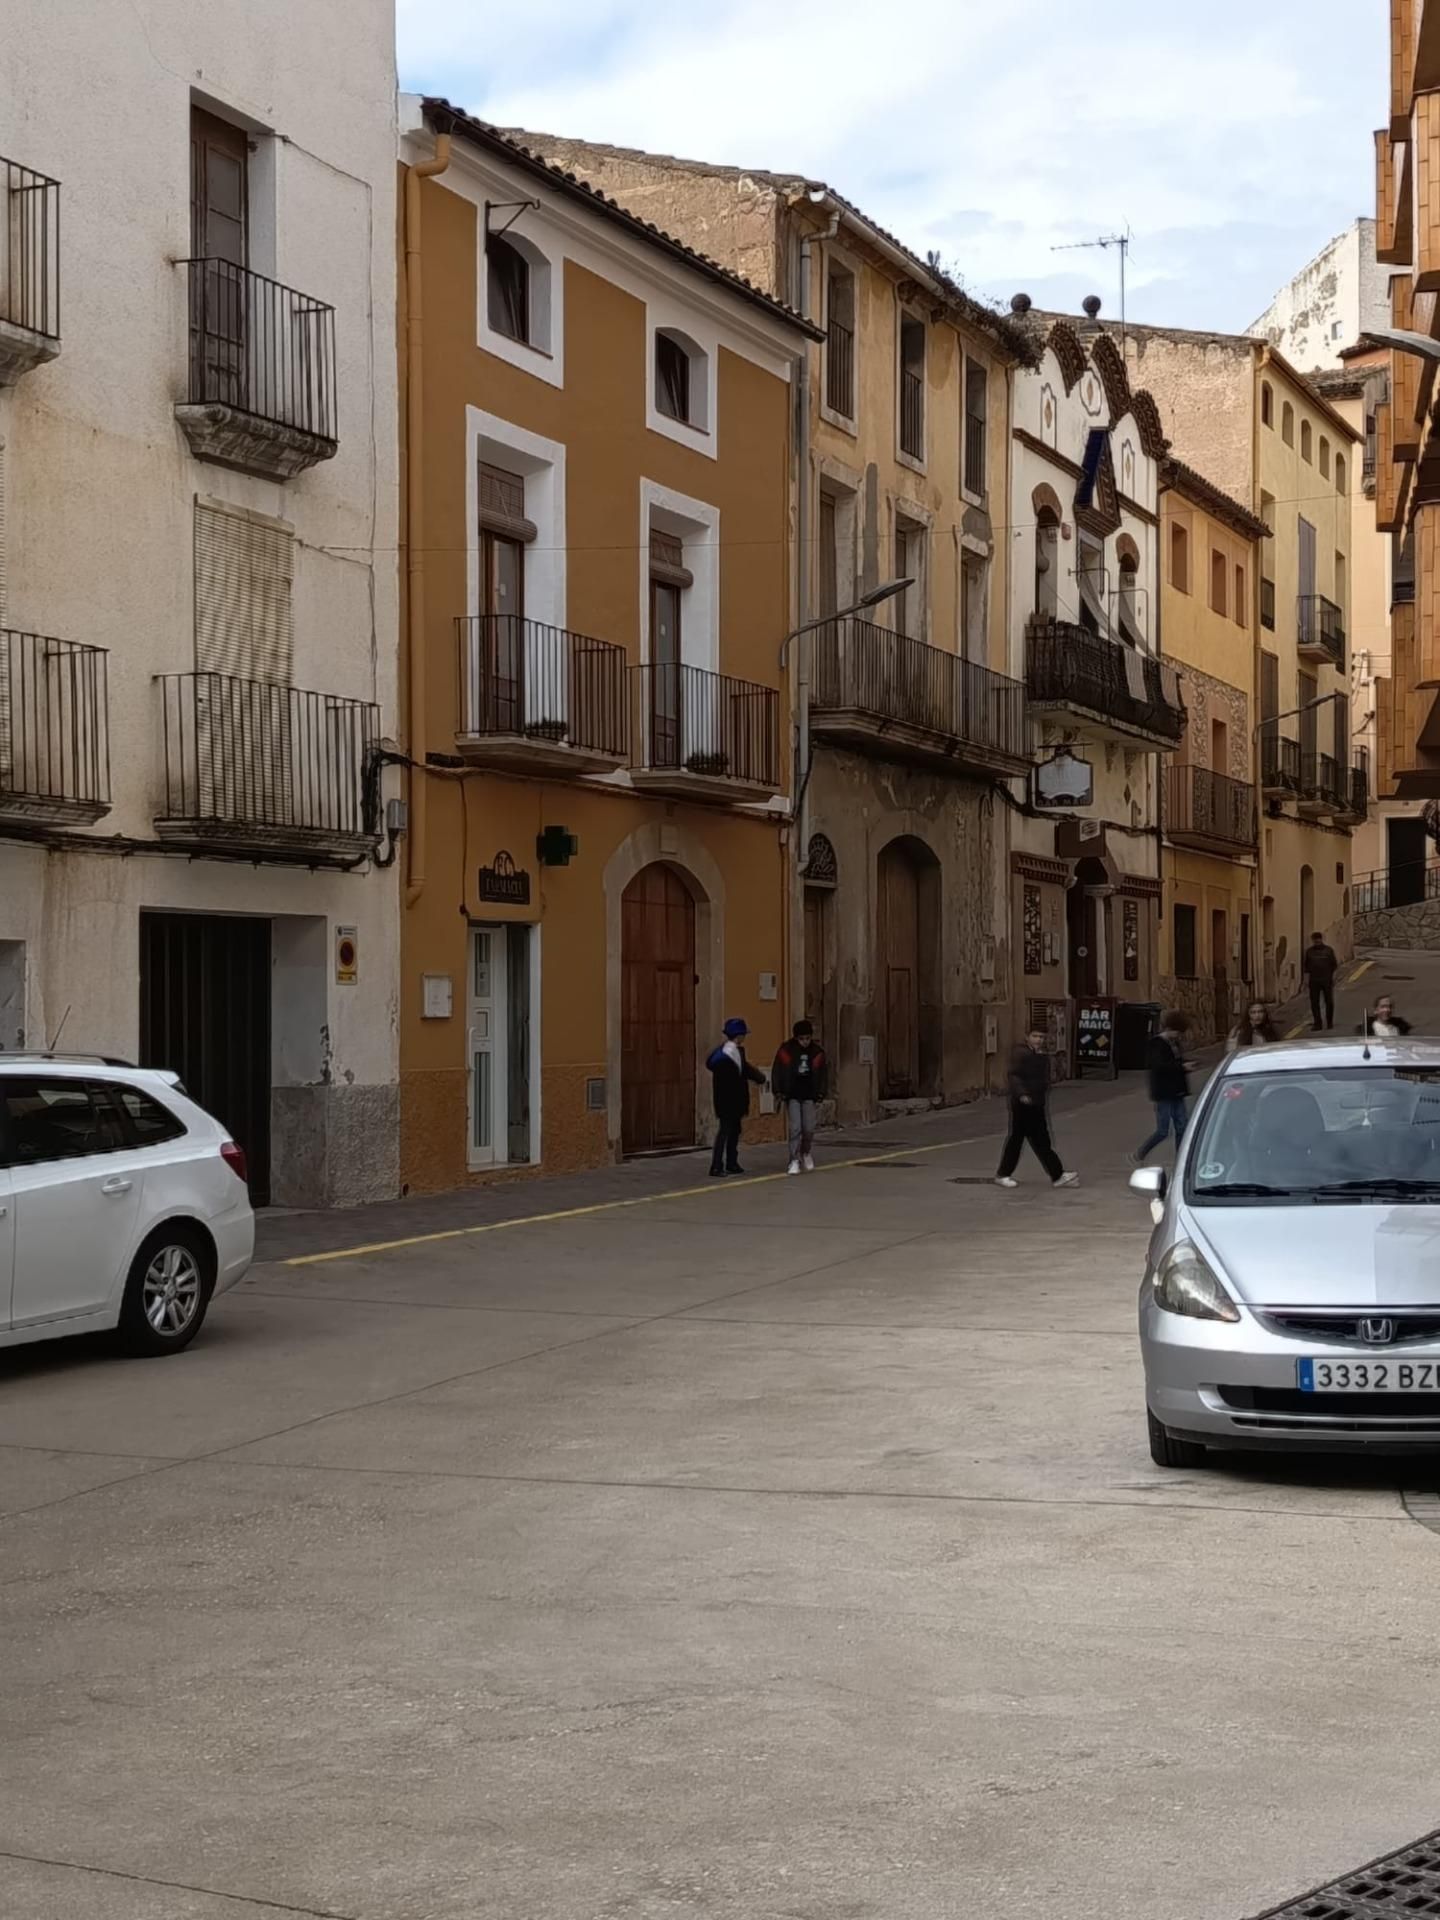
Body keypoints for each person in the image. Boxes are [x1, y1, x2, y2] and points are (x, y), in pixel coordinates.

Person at [995, 1027, 1079, 1189]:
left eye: (1041, 1036)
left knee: (1031, 1139)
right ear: (1027, 1037)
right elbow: (1014, 1075)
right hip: (1023, 1103)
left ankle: (1005, 1174)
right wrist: (1022, 1094)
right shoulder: (1021, 1053)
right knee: (1032, 1139)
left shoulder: (1040, 1055)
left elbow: (1042, 1077)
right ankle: (1057, 1175)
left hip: (1036, 1102)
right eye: (1035, 1036)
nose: (1038, 1039)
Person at [705, 1017, 766, 1177]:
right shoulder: (726, 1054)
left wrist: (759, 1077)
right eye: (743, 1034)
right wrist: (758, 1077)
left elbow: (745, 1069)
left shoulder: (736, 1051)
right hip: (727, 1100)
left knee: (734, 1131)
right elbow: (741, 1071)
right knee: (725, 1132)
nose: (745, 1037)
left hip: (735, 1100)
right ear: (738, 1035)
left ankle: (732, 1162)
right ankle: (717, 1165)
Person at [771, 1018, 829, 1174]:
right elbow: (777, 1070)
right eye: (802, 1039)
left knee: (809, 1128)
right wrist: (778, 1091)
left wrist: (821, 1092)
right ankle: (794, 1159)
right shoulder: (786, 1050)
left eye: (808, 1038)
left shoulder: (817, 1052)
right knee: (795, 1128)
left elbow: (823, 1074)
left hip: (809, 1094)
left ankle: (806, 1152)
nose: (805, 1042)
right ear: (796, 1038)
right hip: (792, 1094)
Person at [1134, 1012, 1194, 1164]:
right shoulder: (1157, 1044)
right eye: (1177, 1032)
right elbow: (1159, 1066)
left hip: (1177, 1091)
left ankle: (1181, 1159)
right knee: (1163, 1131)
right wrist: (1181, 1067)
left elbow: (1175, 1062)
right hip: (1163, 1092)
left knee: (1182, 1127)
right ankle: (1140, 1153)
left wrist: (1185, 1064)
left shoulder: (1174, 1044)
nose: (1179, 1036)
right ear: (1169, 1028)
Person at [1302, 931, 1339, 1032]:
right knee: (1314, 1003)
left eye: (1318, 939)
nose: (1317, 941)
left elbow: (1334, 965)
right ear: (1313, 940)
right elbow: (1306, 968)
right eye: (1315, 939)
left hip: (1326, 980)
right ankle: (1317, 1023)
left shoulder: (1329, 950)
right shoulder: (1309, 952)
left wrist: (1334, 978)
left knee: (1329, 1002)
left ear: (1321, 939)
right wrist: (1305, 981)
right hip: (1314, 981)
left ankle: (1329, 1022)